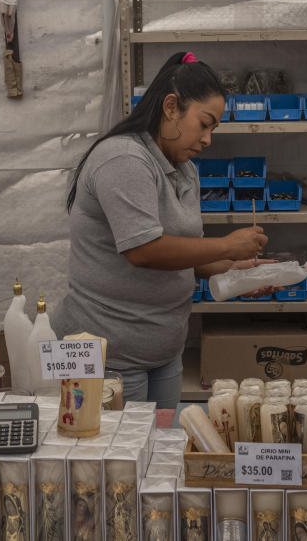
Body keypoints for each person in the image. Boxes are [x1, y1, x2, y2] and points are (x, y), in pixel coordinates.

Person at [52, 51, 269, 408]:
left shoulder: (184, 169)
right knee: (119, 459)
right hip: (109, 358)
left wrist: (241, 273)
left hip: (161, 352)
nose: (208, 139)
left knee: (159, 452)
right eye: (205, 123)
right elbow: (145, 251)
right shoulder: (124, 159)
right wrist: (228, 246)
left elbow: (187, 257)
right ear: (171, 107)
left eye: (214, 128)